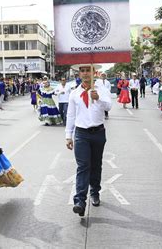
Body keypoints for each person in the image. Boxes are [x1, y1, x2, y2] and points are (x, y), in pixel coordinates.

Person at [65, 64, 112, 217]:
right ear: (79, 73)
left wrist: (98, 99)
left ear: (94, 72)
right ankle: (79, 201)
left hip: (98, 133)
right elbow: (71, 116)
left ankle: (95, 192)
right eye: (83, 71)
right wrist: (68, 136)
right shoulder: (74, 93)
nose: (85, 73)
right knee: (83, 166)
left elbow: (109, 106)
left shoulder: (102, 89)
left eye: (88, 70)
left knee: (96, 165)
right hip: (81, 134)